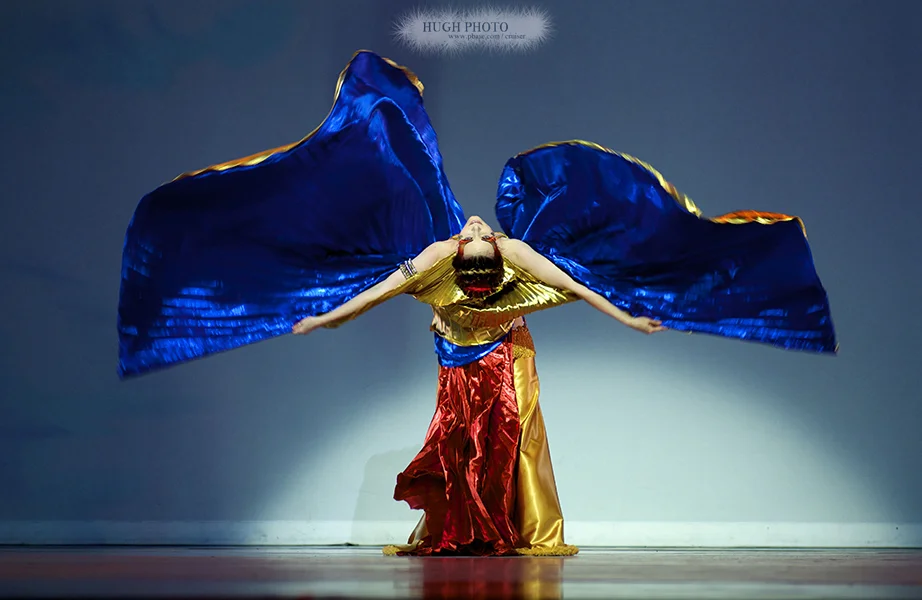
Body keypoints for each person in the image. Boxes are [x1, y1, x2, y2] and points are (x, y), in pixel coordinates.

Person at [117, 50, 837, 557]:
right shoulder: (435, 259)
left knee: (509, 444)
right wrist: (323, 316)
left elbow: (581, 286)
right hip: (455, 358)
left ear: (490, 253)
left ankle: (522, 534)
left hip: (505, 354)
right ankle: (466, 531)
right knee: (457, 448)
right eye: (474, 229)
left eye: (483, 230)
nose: (477, 224)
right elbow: (374, 293)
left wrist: (625, 314)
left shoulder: (518, 257)